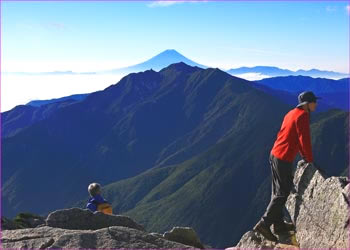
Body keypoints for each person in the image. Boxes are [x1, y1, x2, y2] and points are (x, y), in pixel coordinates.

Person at [253, 91, 320, 241]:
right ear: (307, 104)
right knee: (283, 191)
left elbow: (290, 135)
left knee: (277, 191)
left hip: (275, 153)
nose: (316, 104)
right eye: (314, 101)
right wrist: (308, 159)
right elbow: (304, 139)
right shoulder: (303, 116)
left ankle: (278, 225)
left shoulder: (291, 113)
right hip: (283, 157)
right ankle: (264, 224)